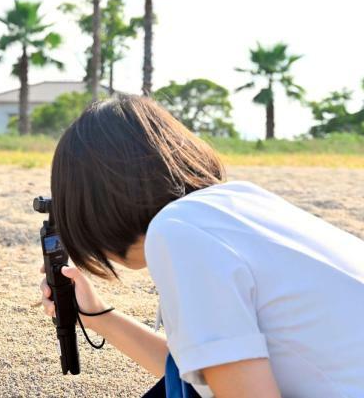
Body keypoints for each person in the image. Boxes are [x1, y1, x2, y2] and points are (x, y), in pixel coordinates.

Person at [39, 95, 364, 397]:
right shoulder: (239, 200)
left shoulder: (178, 230)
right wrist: (97, 316)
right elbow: (206, 372)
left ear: (94, 206)